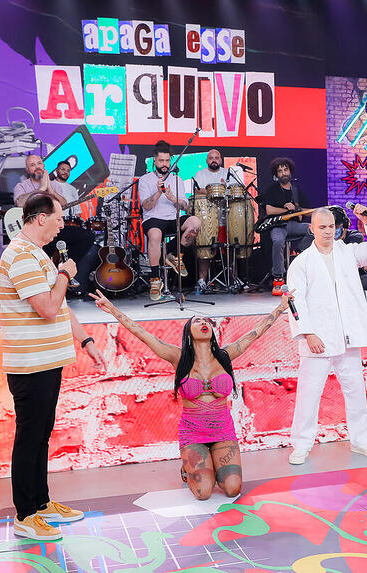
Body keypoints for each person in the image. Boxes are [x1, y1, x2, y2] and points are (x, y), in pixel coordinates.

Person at [90, 290, 293, 500]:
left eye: (206, 321)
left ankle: (211, 463)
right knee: (204, 493)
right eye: (197, 321)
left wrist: (280, 308)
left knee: (233, 489)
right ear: (188, 331)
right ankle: (189, 468)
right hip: (193, 434)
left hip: (223, 431)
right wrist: (112, 309)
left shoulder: (224, 356)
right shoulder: (178, 357)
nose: (203, 323)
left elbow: (255, 332)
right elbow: (141, 333)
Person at [0, 193, 106, 541]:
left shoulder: (38, 255)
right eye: (58, 218)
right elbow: (47, 306)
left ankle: (41, 504)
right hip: (30, 365)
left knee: (41, 434)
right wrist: (64, 272)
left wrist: (85, 340)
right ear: (40, 218)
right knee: (29, 436)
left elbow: (59, 309)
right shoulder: (19, 256)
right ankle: (24, 514)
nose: (62, 224)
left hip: (47, 361)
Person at [286, 205, 367, 465]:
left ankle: (360, 440)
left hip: (348, 338)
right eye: (322, 227)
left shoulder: (348, 253)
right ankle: (301, 444)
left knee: (355, 391)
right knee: (309, 394)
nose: (328, 231)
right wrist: (308, 334)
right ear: (311, 229)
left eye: (331, 226)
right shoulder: (302, 263)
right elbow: (295, 301)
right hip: (318, 340)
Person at [138, 140, 202, 301]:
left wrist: (172, 197)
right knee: (154, 235)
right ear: (155, 160)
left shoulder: (176, 179)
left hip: (172, 218)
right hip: (153, 219)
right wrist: (159, 193)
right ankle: (155, 279)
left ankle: (174, 253)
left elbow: (185, 207)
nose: (165, 164)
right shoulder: (145, 179)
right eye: (161, 161)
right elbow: (146, 206)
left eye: (167, 161)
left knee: (195, 223)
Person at [190, 149, 244, 292]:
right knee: (205, 248)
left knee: (232, 248)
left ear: (220, 160)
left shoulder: (228, 173)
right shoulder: (200, 174)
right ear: (207, 160)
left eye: (216, 158)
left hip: (226, 219)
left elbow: (235, 192)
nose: (214, 160)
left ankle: (234, 277)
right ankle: (202, 279)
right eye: (211, 158)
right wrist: (214, 190)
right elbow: (196, 191)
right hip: (207, 220)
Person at [44, 159, 99, 296]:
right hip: (51, 225)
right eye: (63, 169)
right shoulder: (49, 185)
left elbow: (77, 211)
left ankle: (68, 266)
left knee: (88, 236)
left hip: (67, 224)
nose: (65, 172)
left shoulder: (73, 189)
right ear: (57, 170)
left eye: (68, 170)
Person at [258, 157, 311, 295]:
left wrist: (298, 211)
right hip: (278, 226)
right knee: (278, 240)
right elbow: (269, 210)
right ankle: (278, 278)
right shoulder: (272, 189)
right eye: (280, 171)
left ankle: (297, 252)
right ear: (277, 175)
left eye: (285, 169)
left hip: (293, 225)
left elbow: (305, 212)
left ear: (290, 171)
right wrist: (288, 210)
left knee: (314, 229)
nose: (283, 173)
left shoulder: (296, 191)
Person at [328, 205, 367, 300]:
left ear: (344, 225)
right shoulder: (324, 238)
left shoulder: (355, 236)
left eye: (336, 227)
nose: (333, 231)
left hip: (352, 278)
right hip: (331, 277)